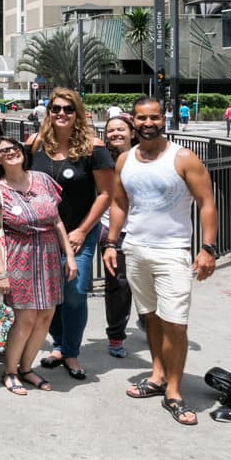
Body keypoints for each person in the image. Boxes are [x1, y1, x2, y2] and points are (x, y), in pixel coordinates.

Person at [103, 96, 217, 426]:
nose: (148, 123)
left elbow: (206, 203)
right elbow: (119, 203)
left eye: (154, 117)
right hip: (136, 249)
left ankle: (175, 392)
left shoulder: (183, 158)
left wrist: (208, 248)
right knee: (150, 317)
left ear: (163, 118)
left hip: (172, 252)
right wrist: (112, 242)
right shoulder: (125, 160)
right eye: (142, 118)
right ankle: (157, 376)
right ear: (133, 120)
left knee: (175, 324)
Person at [0, 135, 77, 395]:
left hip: (48, 256)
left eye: (15, 148)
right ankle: (10, 371)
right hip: (19, 256)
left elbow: (57, 221)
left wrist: (68, 255)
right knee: (25, 318)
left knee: (46, 316)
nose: (11, 152)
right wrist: (0, 273)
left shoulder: (43, 180)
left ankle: (27, 367)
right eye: (4, 151)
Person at [30, 88, 114, 380]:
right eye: (56, 109)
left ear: (78, 113)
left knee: (75, 293)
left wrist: (81, 230)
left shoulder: (94, 147)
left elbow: (105, 193)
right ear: (48, 112)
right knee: (51, 295)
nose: (61, 114)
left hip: (79, 234)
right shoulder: (36, 144)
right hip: (42, 235)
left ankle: (72, 351)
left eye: (68, 109)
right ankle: (59, 344)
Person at [98, 115, 137, 358]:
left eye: (121, 129)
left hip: (144, 230)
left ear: (132, 131)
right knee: (118, 284)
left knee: (147, 281)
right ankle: (116, 335)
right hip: (112, 229)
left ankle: (148, 317)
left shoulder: (146, 156)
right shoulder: (103, 160)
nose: (115, 134)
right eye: (110, 130)